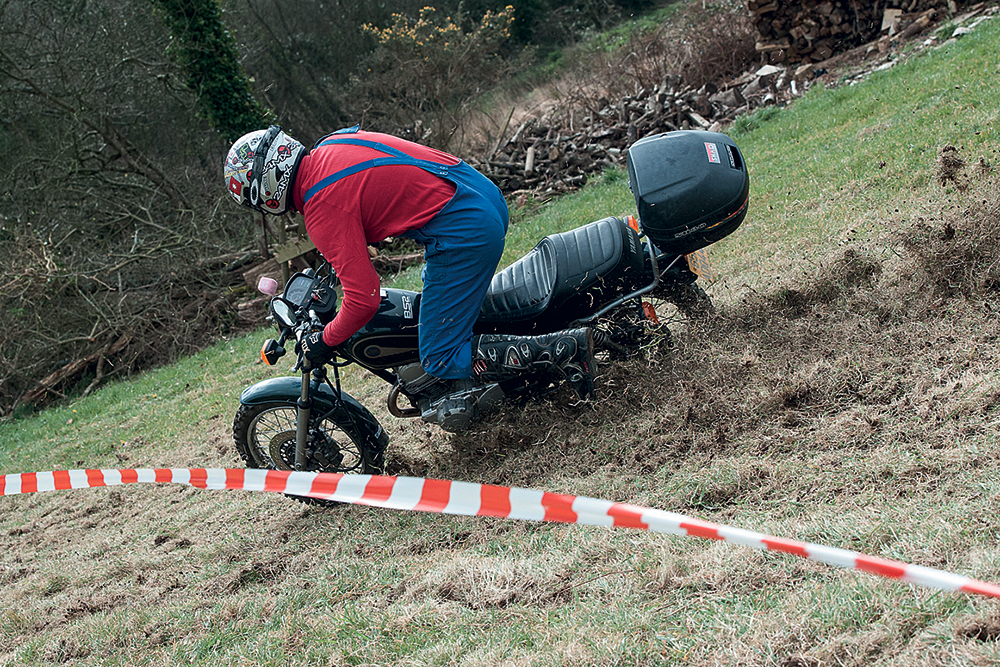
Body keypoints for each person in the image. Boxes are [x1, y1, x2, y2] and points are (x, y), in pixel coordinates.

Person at [223, 124, 596, 397]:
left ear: (266, 191)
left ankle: (565, 350)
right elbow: (380, 183)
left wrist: (326, 338)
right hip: (479, 191)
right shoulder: (332, 143)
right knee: (453, 315)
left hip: (464, 228)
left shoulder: (321, 210)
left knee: (438, 354)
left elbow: (365, 299)